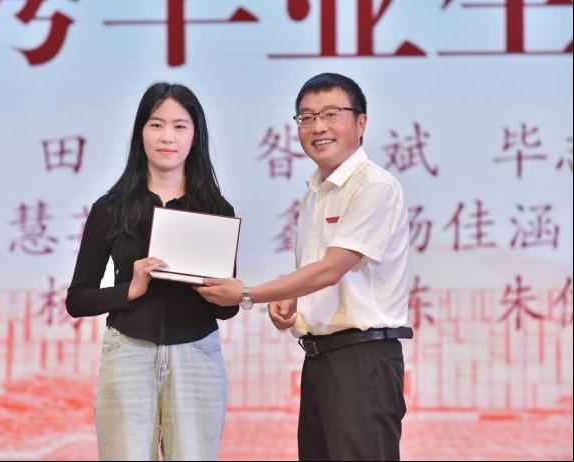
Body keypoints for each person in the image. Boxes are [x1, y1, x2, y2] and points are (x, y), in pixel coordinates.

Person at [196, 72, 412, 461]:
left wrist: (248, 293)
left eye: (331, 114)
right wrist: (295, 301)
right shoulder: (315, 193)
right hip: (320, 359)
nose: (318, 127)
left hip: (363, 361)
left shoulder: (374, 186)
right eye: (306, 117)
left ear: (361, 122)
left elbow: (331, 269)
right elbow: (324, 275)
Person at [66, 82, 238, 461]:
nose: (167, 137)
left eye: (180, 126)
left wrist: (222, 290)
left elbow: (227, 309)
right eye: (156, 124)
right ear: (140, 132)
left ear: (195, 136)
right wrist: (130, 289)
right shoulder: (111, 207)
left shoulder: (215, 209)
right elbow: (77, 299)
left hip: (197, 354)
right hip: (129, 351)